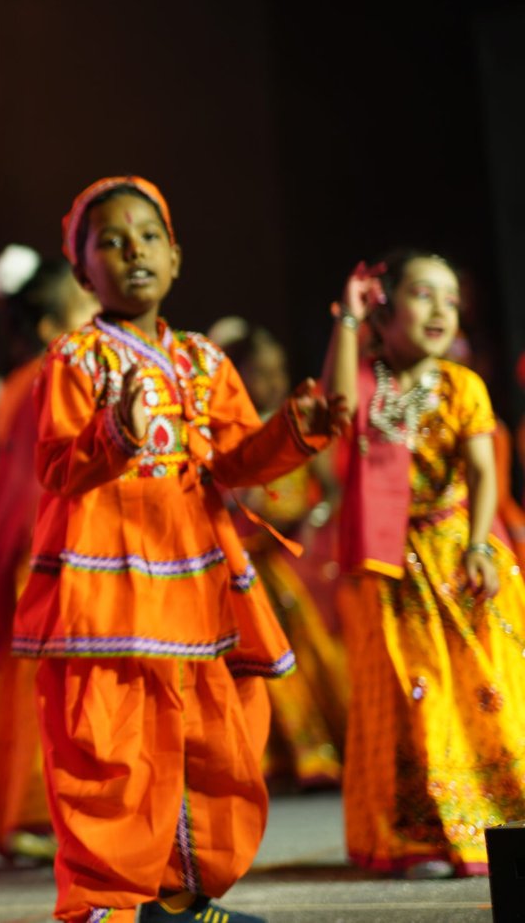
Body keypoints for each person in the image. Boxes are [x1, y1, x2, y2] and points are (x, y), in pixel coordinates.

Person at [17, 176, 337, 923]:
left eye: (148, 237)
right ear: (82, 272)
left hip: (197, 578)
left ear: (176, 257)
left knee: (216, 738)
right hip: (109, 588)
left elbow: (237, 461)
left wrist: (297, 429)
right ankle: (107, 904)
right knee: (110, 745)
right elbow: (57, 468)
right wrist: (117, 433)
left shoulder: (203, 360)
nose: (134, 252)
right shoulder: (75, 358)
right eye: (111, 242)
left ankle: (179, 899)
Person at [329, 252, 525, 878]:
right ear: (384, 311)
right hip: (393, 569)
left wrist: (478, 546)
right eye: (422, 295)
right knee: (416, 695)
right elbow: (335, 408)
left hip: (460, 558)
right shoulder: (368, 382)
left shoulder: (461, 386)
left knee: (485, 691)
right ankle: (422, 834)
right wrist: (347, 321)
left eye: (450, 298)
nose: (441, 309)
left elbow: (484, 472)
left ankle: (497, 819)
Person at [0, 245, 97, 861]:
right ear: (50, 326)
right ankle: (37, 815)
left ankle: (37, 814)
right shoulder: (53, 374)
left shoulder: (26, 377)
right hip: (52, 544)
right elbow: (33, 479)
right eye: (86, 303)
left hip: (44, 541)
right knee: (49, 681)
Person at [223, 326, 348, 791]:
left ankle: (321, 750)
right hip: (249, 562)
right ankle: (280, 756)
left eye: (278, 371)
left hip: (298, 560)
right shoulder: (233, 434)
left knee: (309, 652)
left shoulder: (293, 425)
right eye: (261, 372)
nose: (274, 381)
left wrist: (313, 521)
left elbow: (331, 489)